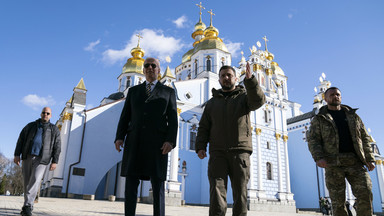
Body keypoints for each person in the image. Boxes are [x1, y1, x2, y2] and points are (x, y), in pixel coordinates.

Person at [195, 62, 265, 216]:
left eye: (229, 75)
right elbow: (204, 127)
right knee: (216, 192)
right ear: (219, 80)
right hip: (217, 152)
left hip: (240, 152)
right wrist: (200, 146)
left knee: (240, 194)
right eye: (223, 76)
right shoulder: (212, 103)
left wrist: (250, 80)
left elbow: (258, 101)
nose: (226, 78)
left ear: (235, 78)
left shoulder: (244, 98)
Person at [114, 57, 178, 216]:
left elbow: (173, 119)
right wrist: (119, 137)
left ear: (159, 70)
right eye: (147, 65)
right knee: (131, 184)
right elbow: (125, 116)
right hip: (135, 142)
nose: (150, 68)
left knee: (158, 186)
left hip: (158, 145)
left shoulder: (168, 92)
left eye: (153, 65)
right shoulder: (134, 91)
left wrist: (170, 141)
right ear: (143, 70)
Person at [307, 87, 375, 216]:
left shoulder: (353, 116)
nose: (335, 96)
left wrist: (369, 158)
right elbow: (313, 140)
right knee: (338, 202)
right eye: (332, 95)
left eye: (338, 94)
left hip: (355, 162)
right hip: (333, 164)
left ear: (341, 97)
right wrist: (318, 157)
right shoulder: (320, 119)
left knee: (365, 194)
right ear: (325, 99)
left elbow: (364, 137)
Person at [14, 107, 61, 216]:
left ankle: (27, 206)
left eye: (48, 113)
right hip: (27, 156)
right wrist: (17, 154)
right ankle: (27, 206)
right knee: (27, 182)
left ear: (51, 115)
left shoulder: (54, 129)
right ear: (41, 114)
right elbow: (20, 140)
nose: (45, 114)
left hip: (42, 159)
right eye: (44, 113)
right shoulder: (30, 126)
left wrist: (55, 160)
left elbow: (57, 146)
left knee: (35, 181)